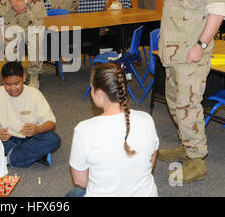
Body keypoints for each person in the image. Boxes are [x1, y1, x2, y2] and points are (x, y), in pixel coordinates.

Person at [158, 0, 225, 183]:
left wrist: (200, 46)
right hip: (174, 54)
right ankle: (186, 146)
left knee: (188, 106)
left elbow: (219, 10)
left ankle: (197, 159)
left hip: (191, 55)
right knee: (175, 102)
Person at [67, 63, 159, 197]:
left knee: (73, 193)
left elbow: (79, 180)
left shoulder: (84, 130)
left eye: (91, 88)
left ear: (98, 93)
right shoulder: (147, 119)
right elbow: (151, 160)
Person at [0, 61, 61, 168]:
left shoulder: (34, 94)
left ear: (24, 78)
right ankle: (35, 155)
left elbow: (51, 124)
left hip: (32, 138)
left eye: (16, 83)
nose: (13, 88)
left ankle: (8, 159)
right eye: (8, 84)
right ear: (2, 80)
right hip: (7, 140)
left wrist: (37, 129)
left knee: (53, 139)